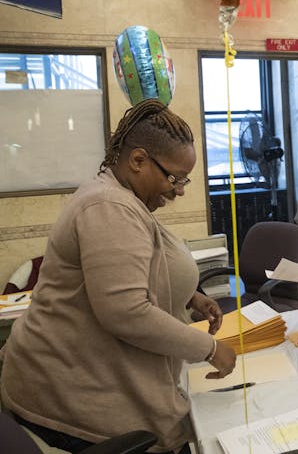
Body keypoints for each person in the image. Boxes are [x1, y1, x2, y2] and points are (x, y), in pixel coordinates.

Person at [0, 99, 236, 453]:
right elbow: (125, 310)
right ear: (138, 160)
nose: (181, 189)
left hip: (91, 378)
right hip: (73, 399)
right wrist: (210, 348)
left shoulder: (121, 196)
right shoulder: (108, 206)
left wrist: (189, 296)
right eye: (174, 177)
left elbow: (138, 267)